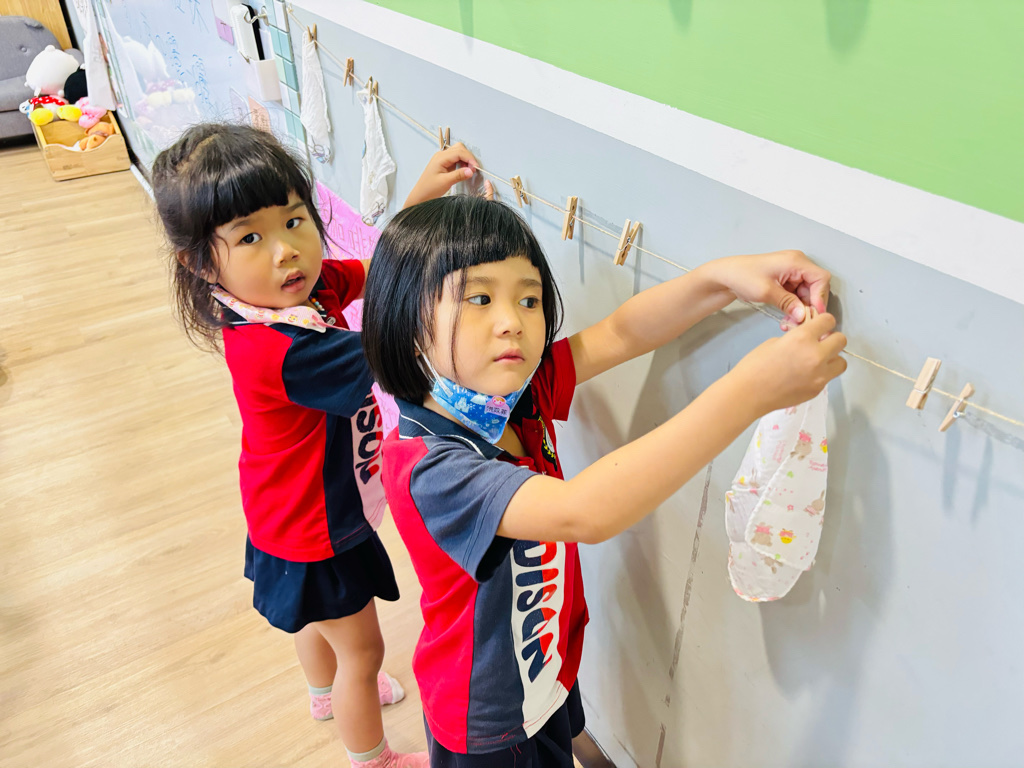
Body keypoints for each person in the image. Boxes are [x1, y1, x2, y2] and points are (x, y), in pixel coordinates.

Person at [361, 195, 846, 767]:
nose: (512, 320)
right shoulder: (429, 467)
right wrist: (753, 391)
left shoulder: (512, 399)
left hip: (545, 664)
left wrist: (722, 279)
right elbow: (583, 512)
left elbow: (619, 334)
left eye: (529, 298)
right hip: (489, 720)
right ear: (405, 320)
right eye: (480, 298)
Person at [151, 123, 489, 768]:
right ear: (200, 263)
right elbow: (392, 343)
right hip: (314, 528)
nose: (287, 251)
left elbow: (376, 271)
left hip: (281, 510)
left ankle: (321, 694)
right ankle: (373, 757)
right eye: (250, 237)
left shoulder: (294, 297)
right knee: (363, 653)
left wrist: (419, 198)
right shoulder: (281, 347)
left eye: (294, 220)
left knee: (314, 619)